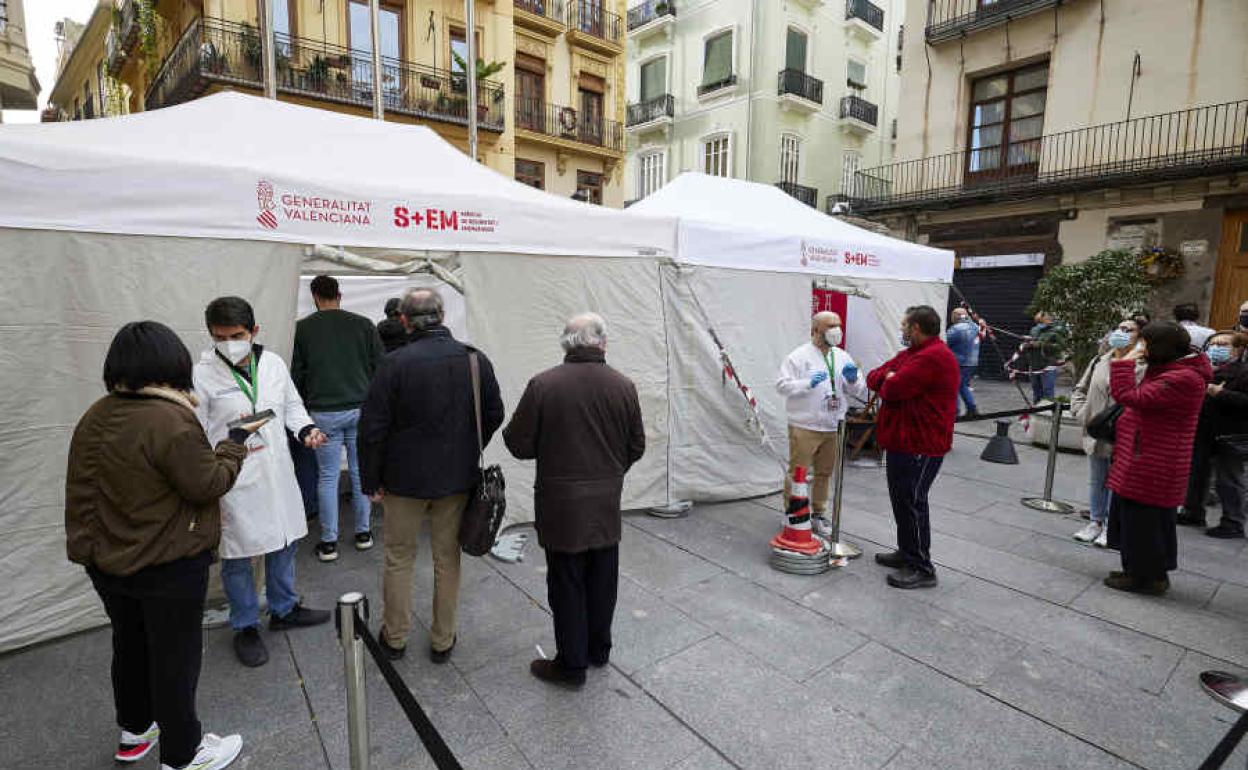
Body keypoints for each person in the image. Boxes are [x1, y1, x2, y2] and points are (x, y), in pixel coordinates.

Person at [66, 321, 252, 770]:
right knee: (175, 658)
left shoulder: (97, 412)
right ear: (171, 365)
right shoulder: (169, 419)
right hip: (165, 563)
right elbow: (206, 484)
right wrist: (234, 446)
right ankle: (184, 754)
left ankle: (134, 731)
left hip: (105, 560)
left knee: (130, 646)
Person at [359, 288, 503, 663]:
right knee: (447, 558)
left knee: (398, 557)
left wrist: (370, 480)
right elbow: (494, 414)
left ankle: (395, 637)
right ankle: (443, 639)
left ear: (404, 320)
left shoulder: (394, 363)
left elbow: (372, 428)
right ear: (442, 315)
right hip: (456, 478)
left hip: (402, 481)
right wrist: (468, 447)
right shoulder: (474, 359)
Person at [503, 313, 645, 687]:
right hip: (604, 500)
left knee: (566, 582)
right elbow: (636, 446)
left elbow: (517, 443)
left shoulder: (544, 385)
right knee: (603, 578)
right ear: (603, 343)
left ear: (566, 343)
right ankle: (599, 650)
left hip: (560, 501)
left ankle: (572, 665)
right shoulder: (624, 385)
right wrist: (608, 472)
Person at [194, 297, 331, 668]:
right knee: (238, 554)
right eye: (219, 336)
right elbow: (194, 431)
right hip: (234, 477)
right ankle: (245, 625)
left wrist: (306, 429)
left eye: (236, 335)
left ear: (254, 331)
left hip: (275, 469)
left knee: (284, 541)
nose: (228, 343)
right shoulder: (202, 374)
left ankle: (284, 608)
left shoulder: (272, 363)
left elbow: (290, 405)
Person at [1104, 321, 1211, 594]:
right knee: (1136, 519)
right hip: (1145, 454)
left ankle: (1146, 577)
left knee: (1145, 523)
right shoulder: (1172, 370)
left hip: (1155, 460)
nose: (1142, 349)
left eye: (1146, 344)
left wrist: (1124, 361)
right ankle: (1139, 570)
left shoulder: (1182, 378)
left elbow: (1130, 396)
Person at [865, 306, 960, 589]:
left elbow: (893, 389)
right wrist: (888, 376)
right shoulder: (913, 355)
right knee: (901, 500)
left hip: (921, 444)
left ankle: (922, 566)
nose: (902, 331)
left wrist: (890, 379)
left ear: (916, 328)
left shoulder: (932, 357)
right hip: (903, 441)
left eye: (905, 326)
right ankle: (907, 551)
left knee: (913, 501)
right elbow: (875, 376)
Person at [291, 275, 385, 562]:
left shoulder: (303, 329)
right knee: (360, 472)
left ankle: (329, 542)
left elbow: (296, 374)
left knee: (328, 477)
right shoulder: (363, 325)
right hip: (360, 409)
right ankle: (363, 534)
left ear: (315, 297)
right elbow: (380, 367)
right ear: (339, 295)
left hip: (323, 411)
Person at [774, 311, 868, 536]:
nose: (836, 330)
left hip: (832, 425)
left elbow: (857, 389)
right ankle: (792, 511)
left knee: (824, 473)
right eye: (830, 326)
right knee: (798, 472)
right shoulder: (798, 356)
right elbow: (781, 385)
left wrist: (854, 379)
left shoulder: (842, 355)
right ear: (815, 330)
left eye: (838, 325)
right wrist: (806, 383)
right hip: (805, 424)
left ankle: (818, 513)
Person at [1070, 317, 1145, 547]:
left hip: (1122, 432)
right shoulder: (1099, 360)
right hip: (1095, 428)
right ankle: (1096, 521)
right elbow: (1080, 388)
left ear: (1140, 337)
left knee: (1117, 480)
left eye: (1129, 330)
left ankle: (1113, 527)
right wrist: (1081, 411)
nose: (1121, 333)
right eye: (1120, 328)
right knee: (1097, 479)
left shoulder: (1144, 365)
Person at [1181, 331, 1248, 539]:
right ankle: (1192, 512)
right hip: (1203, 430)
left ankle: (1232, 522)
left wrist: (1221, 394)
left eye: (1223, 344)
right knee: (1196, 474)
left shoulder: (1244, 372)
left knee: (1228, 479)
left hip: (1230, 434)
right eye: (1214, 344)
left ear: (1238, 349)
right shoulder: (1204, 369)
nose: (1216, 348)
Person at [1023, 311, 1067, 402]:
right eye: (1047, 316)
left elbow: (1061, 346)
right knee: (1036, 393)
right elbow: (1031, 345)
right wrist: (1027, 345)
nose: (1050, 318)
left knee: (1048, 393)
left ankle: (1049, 413)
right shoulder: (1033, 330)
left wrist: (1043, 345)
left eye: (1050, 316)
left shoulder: (1056, 331)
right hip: (1034, 365)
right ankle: (1037, 413)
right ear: (1040, 319)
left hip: (1048, 365)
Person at [945, 307, 982, 419]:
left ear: (956, 316)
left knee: (954, 386)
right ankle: (972, 409)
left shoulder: (955, 329)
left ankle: (954, 412)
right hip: (972, 362)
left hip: (958, 362)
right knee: (963, 385)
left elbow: (945, 344)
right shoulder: (976, 327)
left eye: (952, 316)